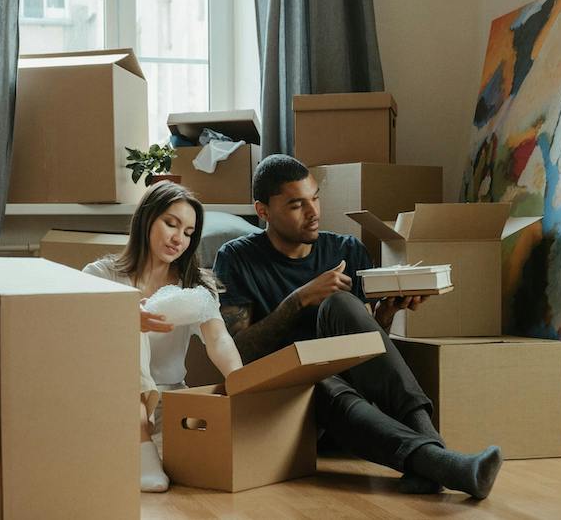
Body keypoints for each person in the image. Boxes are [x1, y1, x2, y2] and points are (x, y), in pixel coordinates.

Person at [213, 154, 503, 499]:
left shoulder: (345, 249)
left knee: (340, 303)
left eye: (316, 198)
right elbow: (238, 353)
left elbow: (364, 349)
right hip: (295, 405)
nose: (314, 212)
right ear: (263, 211)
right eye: (296, 205)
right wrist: (299, 299)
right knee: (319, 377)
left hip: (362, 404)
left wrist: (387, 314)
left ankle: (434, 456)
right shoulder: (236, 258)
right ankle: (441, 462)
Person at [82, 181, 243, 493]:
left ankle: (142, 448)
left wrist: (242, 382)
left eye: (188, 232)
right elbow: (73, 334)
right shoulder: (101, 274)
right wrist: (126, 318)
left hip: (170, 402)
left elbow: (219, 339)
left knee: (206, 463)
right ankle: (139, 440)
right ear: (146, 218)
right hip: (112, 400)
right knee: (128, 313)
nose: (178, 239)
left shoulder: (195, 287)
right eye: (171, 224)